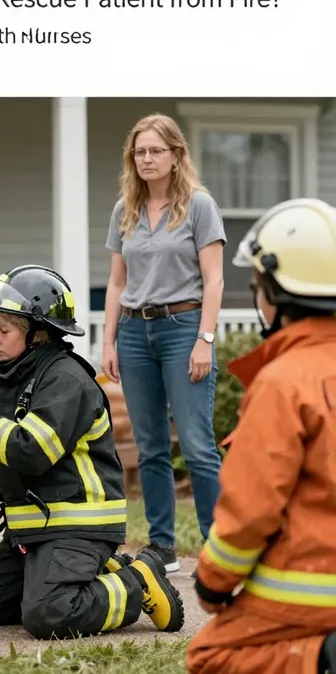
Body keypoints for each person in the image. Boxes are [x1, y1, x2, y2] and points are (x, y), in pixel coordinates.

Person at [0, 265, 185, 640]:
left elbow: (30, 452)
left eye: (4, 330)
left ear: (39, 333)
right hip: (36, 526)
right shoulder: (11, 378)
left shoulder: (66, 380)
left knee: (50, 616)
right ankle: (97, 574)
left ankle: (136, 582)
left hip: (78, 524)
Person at [187, 198, 336, 674]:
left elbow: (251, 507)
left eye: (256, 285)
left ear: (272, 291)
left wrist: (213, 581)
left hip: (312, 588)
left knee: (210, 655)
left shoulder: (284, 381)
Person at [102, 113, 226, 573]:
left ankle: (218, 550)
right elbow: (117, 283)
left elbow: (214, 280)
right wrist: (110, 341)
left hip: (183, 329)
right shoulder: (125, 210)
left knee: (196, 446)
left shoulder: (198, 205)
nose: (147, 159)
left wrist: (204, 340)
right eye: (140, 151)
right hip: (134, 334)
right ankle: (162, 548)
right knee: (150, 445)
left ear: (176, 156)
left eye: (156, 150)